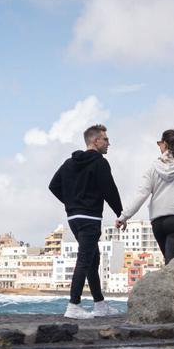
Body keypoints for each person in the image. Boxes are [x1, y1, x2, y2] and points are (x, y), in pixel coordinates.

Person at [49, 124, 123, 319]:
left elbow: (53, 185)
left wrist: (72, 203)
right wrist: (121, 214)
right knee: (84, 259)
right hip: (90, 218)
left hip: (74, 218)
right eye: (106, 139)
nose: (109, 143)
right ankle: (73, 305)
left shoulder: (68, 163)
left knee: (92, 258)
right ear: (95, 141)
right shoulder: (100, 163)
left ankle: (100, 304)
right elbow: (110, 190)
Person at [115, 129, 174, 264]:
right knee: (173, 264)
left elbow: (141, 194)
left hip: (158, 222)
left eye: (159, 143)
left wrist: (124, 216)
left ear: (165, 144)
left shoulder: (153, 168)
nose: (159, 147)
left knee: (170, 262)